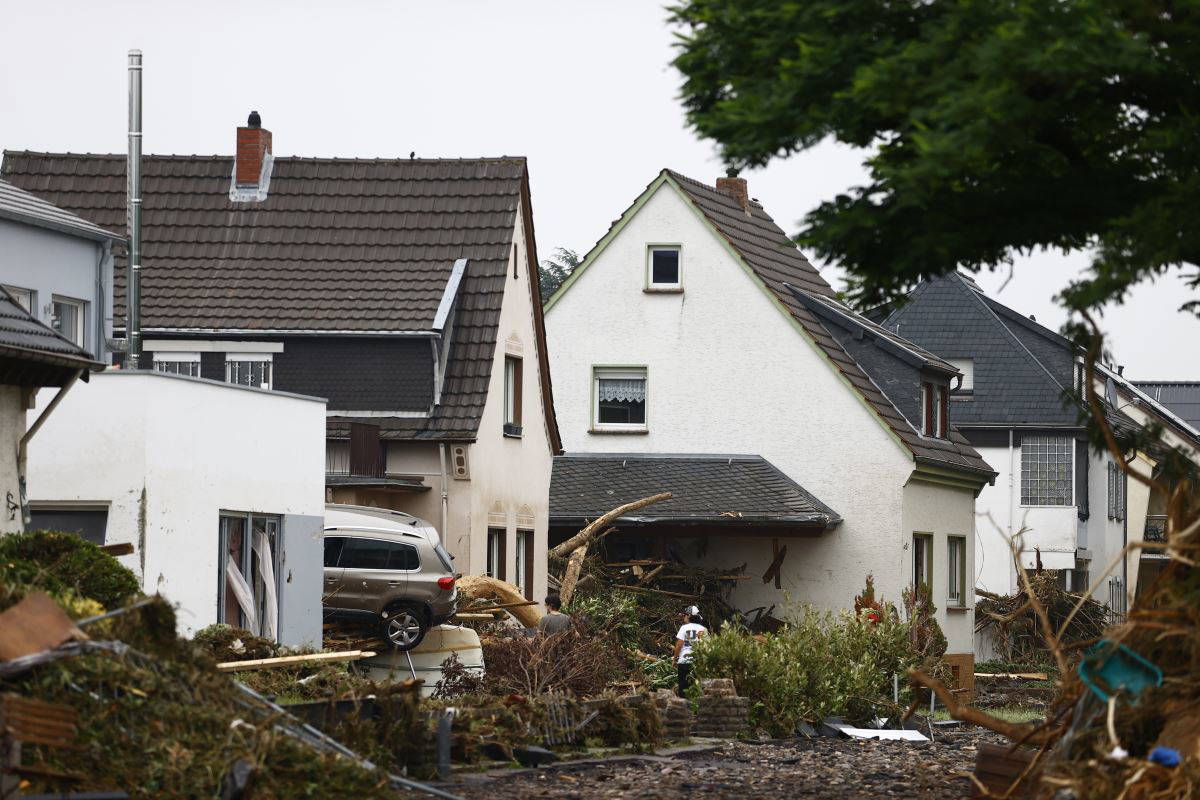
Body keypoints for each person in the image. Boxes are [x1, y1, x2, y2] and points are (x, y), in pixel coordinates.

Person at [673, 605, 707, 697]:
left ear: (689, 616)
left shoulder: (684, 628)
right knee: (697, 689)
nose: (684, 617)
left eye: (685, 615)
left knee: (683, 689)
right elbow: (706, 646)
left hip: (684, 661)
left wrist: (675, 659)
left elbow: (679, 645)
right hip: (698, 662)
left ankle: (683, 705)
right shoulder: (703, 629)